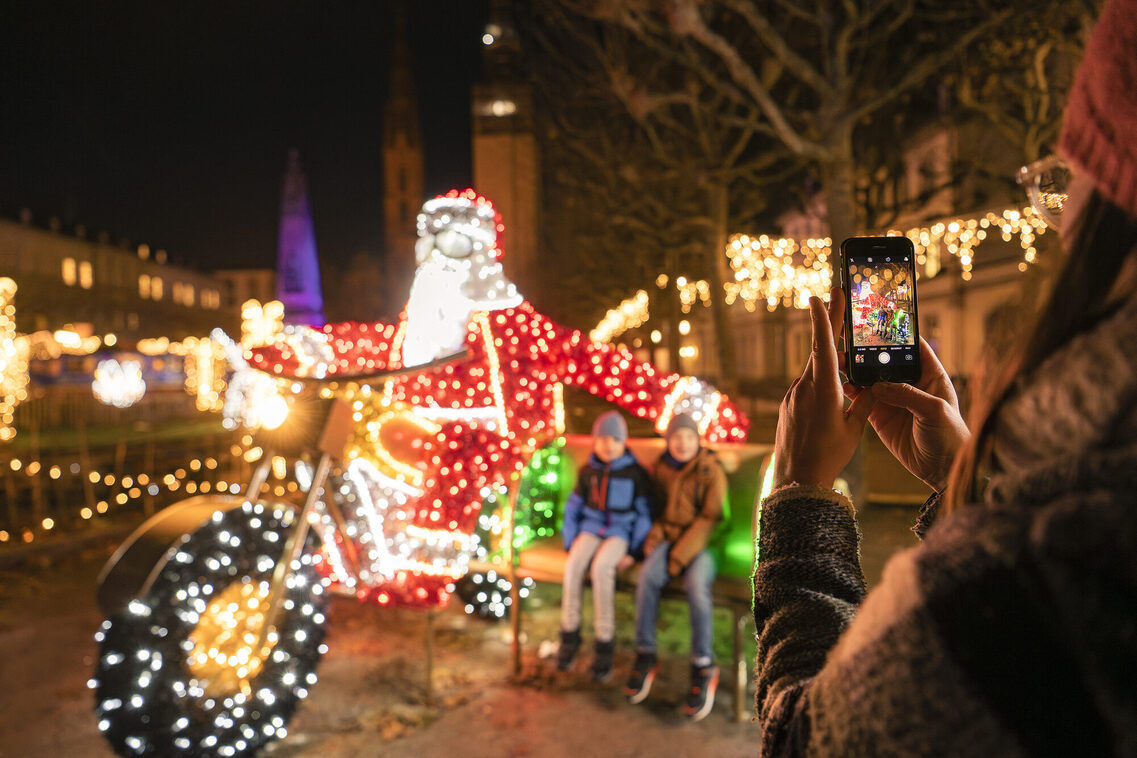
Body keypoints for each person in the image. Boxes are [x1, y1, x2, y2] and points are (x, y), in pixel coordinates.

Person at [753, 0, 1137, 753]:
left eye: (1066, 185)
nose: (1056, 223)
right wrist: (966, 480)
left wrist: (799, 496)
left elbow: (801, 736)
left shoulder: (1036, 573)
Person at [624, 413, 727, 722]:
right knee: (647, 577)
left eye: (689, 438)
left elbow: (711, 519)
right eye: (677, 438)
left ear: (698, 441)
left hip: (706, 542)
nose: (683, 444)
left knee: (697, 586)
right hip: (671, 539)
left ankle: (703, 665)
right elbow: (658, 512)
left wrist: (677, 558)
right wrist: (654, 537)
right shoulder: (662, 468)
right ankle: (645, 654)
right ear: (669, 441)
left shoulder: (711, 471)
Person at [557, 410, 654, 681]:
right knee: (574, 565)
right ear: (594, 442)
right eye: (602, 439)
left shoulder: (636, 474)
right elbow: (573, 508)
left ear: (623, 441)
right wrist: (570, 539)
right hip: (590, 529)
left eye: (614, 439)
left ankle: (604, 642)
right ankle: (569, 634)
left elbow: (644, 514)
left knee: (602, 568)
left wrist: (634, 551)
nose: (608, 445)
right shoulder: (588, 471)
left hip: (619, 534)